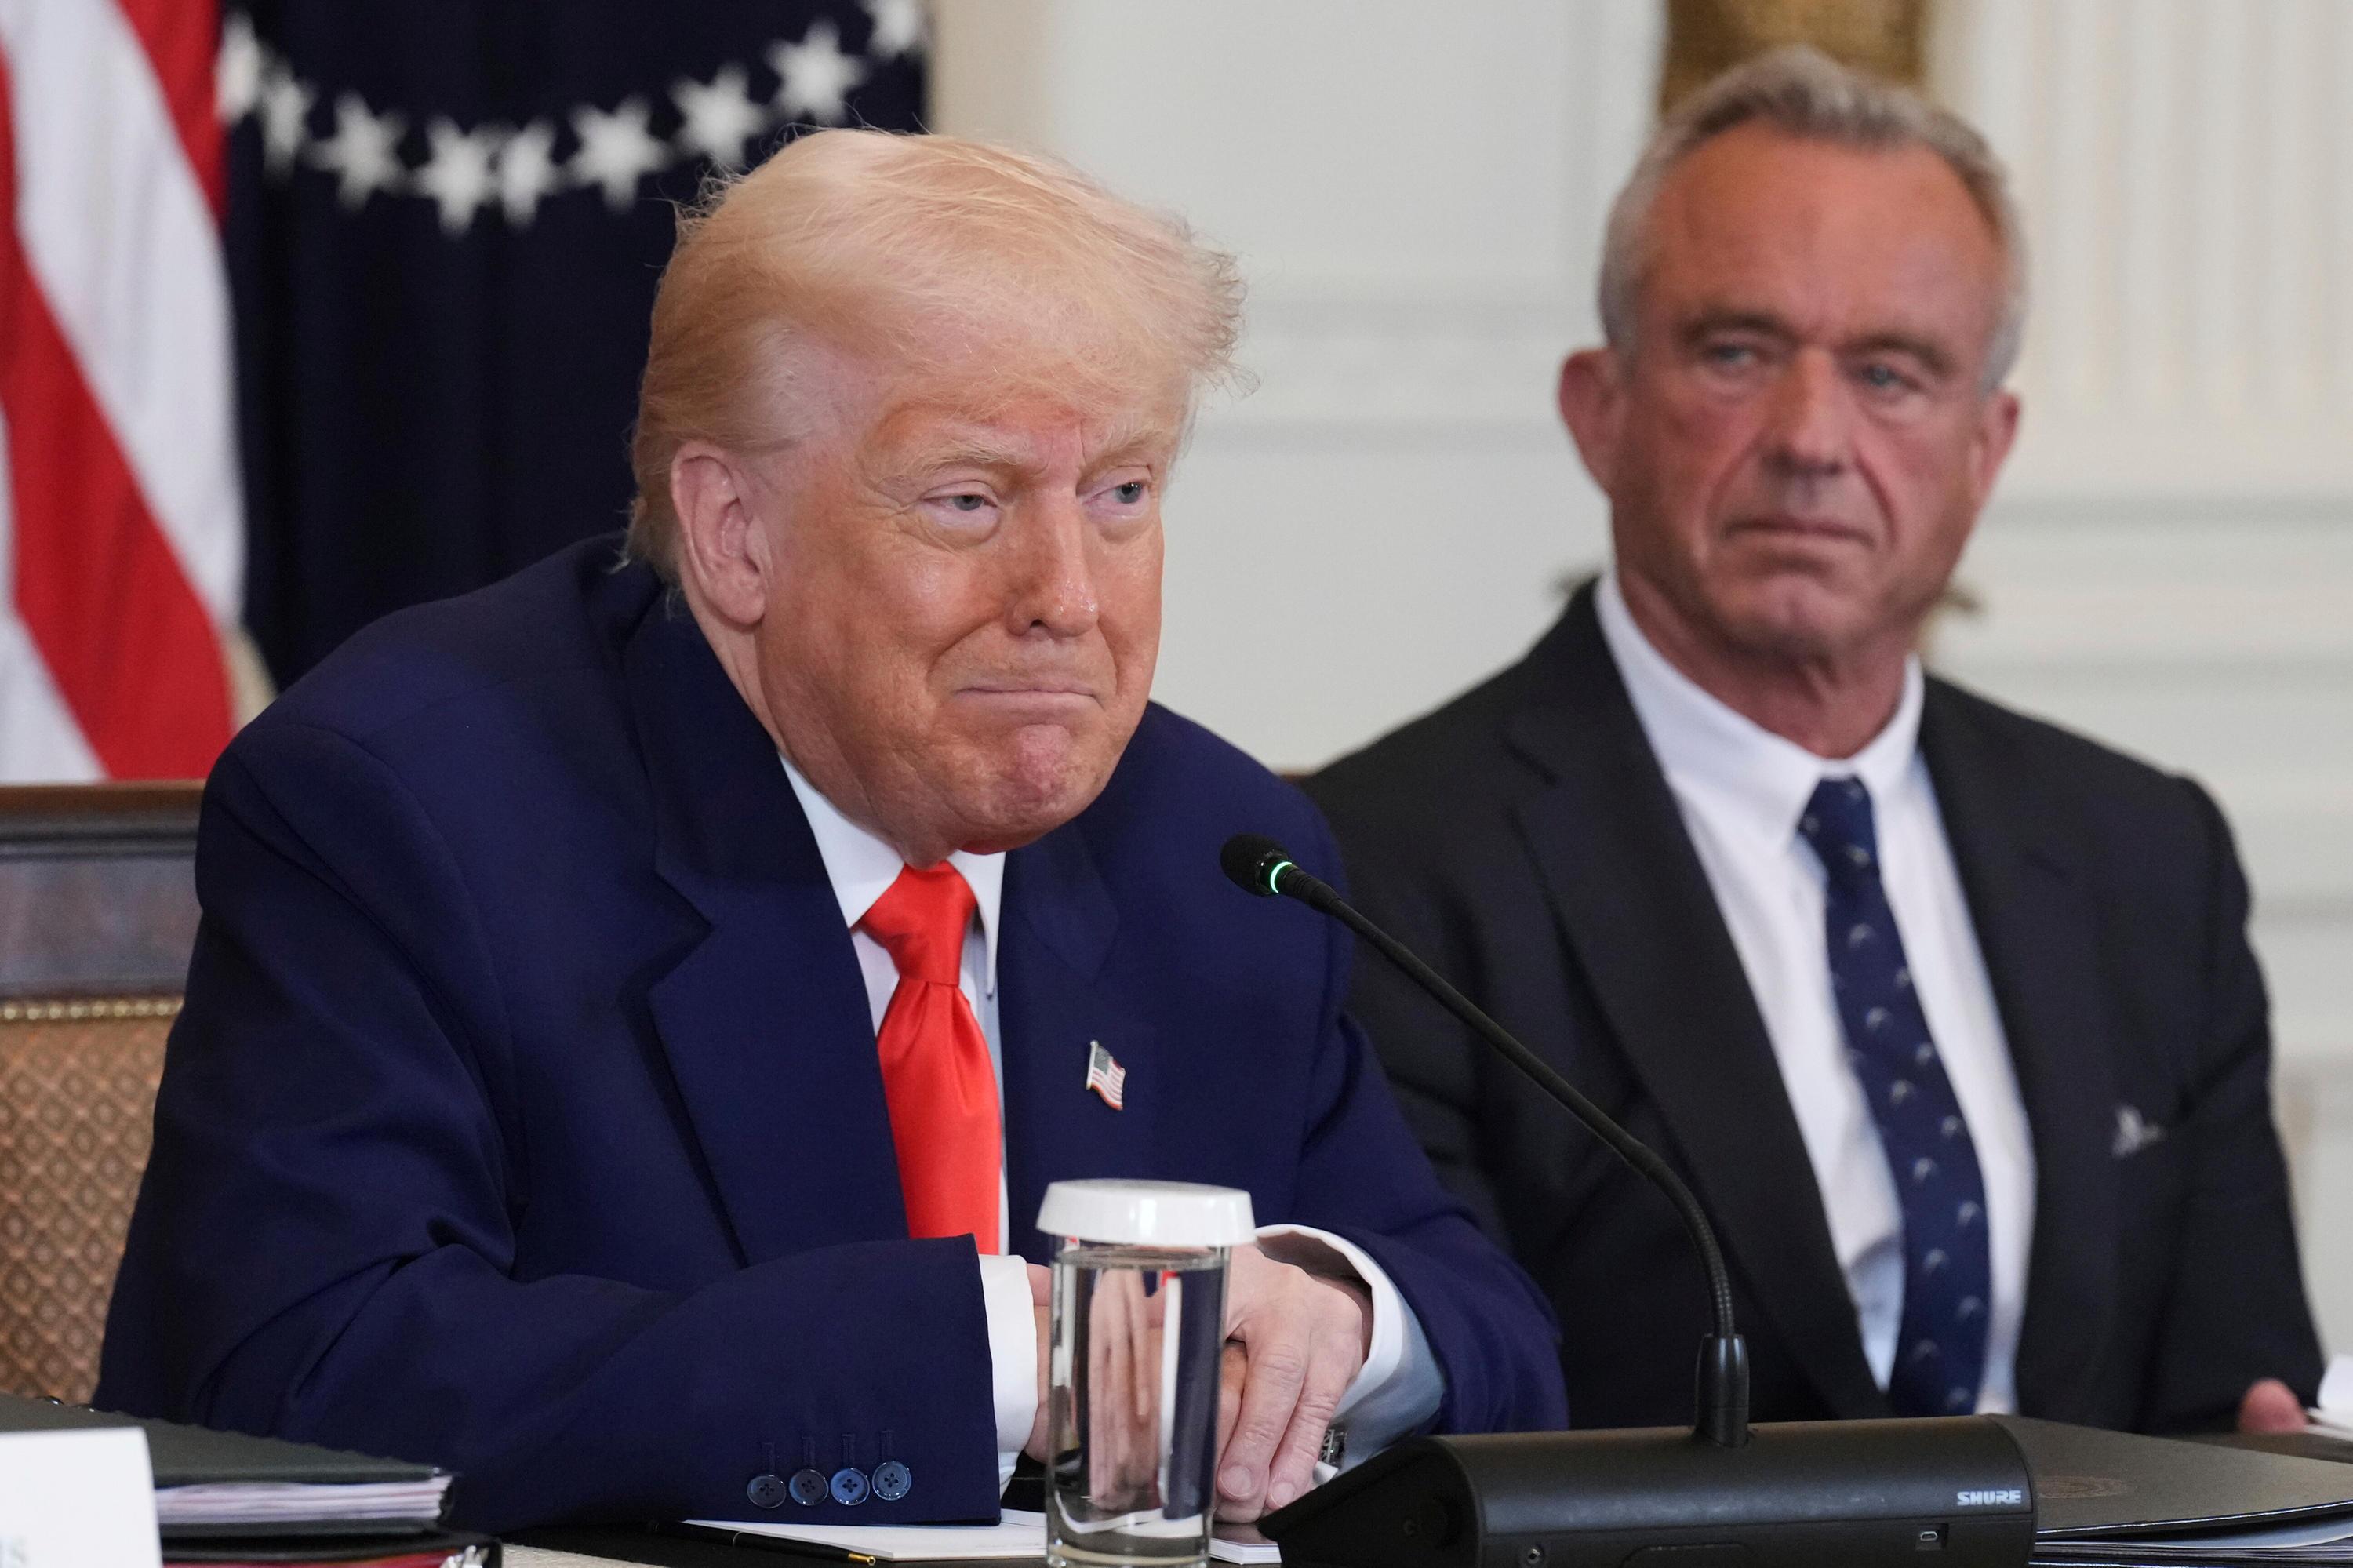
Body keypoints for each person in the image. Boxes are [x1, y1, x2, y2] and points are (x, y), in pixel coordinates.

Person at [96, 130, 1565, 1533]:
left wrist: (1342, 1318)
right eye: (969, 499)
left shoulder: (1219, 853)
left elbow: (1498, 1335)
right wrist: (1011, 1351)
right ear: (735, 533)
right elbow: (297, 1376)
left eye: (1122, 493)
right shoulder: (413, 807)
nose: (1069, 595)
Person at [1308, 48, 2323, 1437]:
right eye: (1736, 352)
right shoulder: (1386, 870)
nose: (1809, 439)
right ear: (1600, 411)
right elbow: (1441, 1438)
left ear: (1987, 448)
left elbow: (2240, 1407)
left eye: (1891, 374)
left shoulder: (2148, 856)